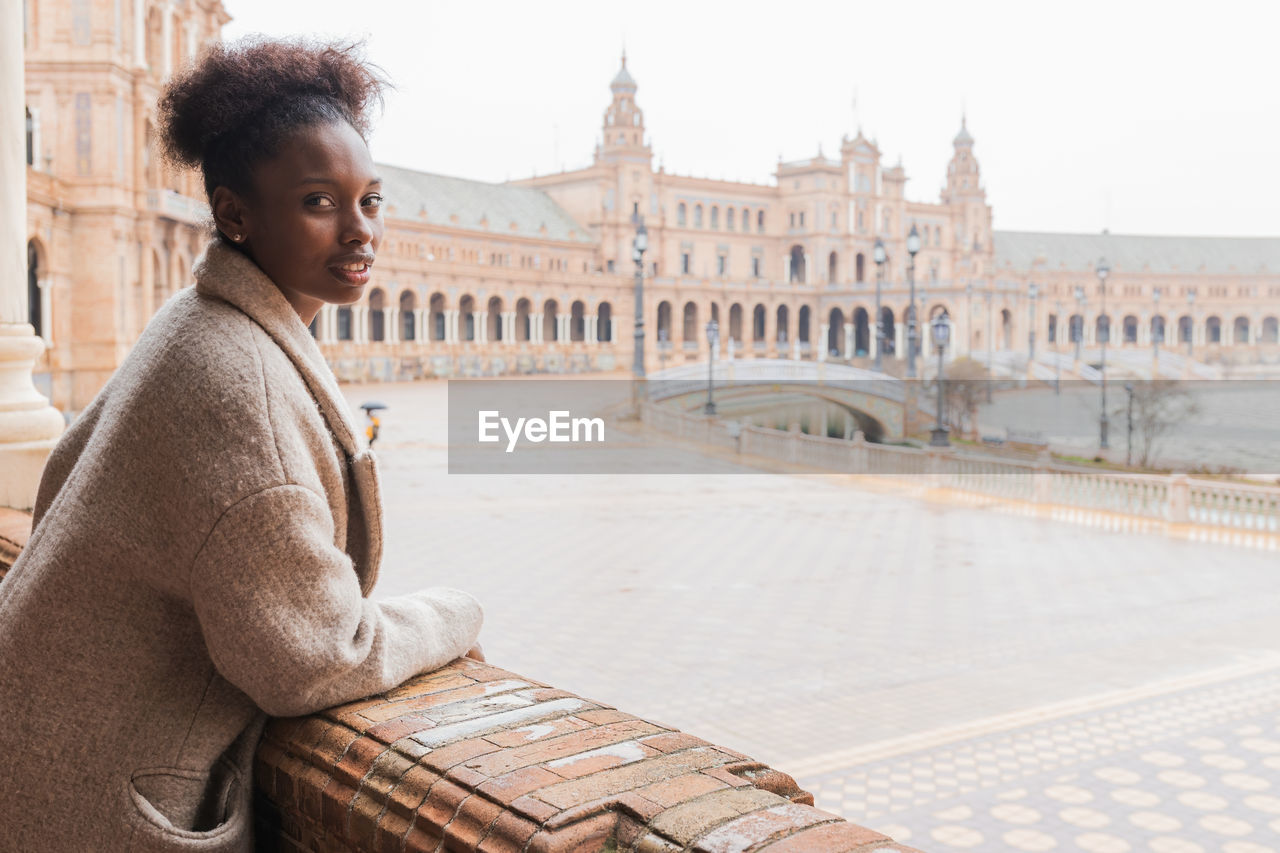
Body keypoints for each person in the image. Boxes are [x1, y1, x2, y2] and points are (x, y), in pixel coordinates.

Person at [0, 39, 483, 852]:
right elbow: (313, 658)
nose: (360, 230)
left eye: (371, 199)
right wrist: (454, 614)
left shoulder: (192, 321)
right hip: (85, 800)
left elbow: (58, 481)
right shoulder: (240, 389)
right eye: (320, 202)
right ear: (234, 213)